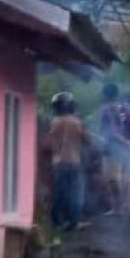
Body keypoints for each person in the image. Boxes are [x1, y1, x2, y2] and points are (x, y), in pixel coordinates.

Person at [96, 83, 130, 214]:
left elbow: (106, 131)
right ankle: (126, 206)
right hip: (126, 147)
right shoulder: (128, 108)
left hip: (112, 148)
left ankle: (118, 207)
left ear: (105, 95)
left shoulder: (105, 109)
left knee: (112, 179)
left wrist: (123, 141)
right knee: (124, 177)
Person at [47, 92, 86, 231]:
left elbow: (49, 143)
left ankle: (56, 221)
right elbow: (85, 139)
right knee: (75, 193)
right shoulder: (76, 122)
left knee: (59, 192)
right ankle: (73, 222)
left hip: (58, 163)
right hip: (74, 161)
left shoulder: (54, 122)